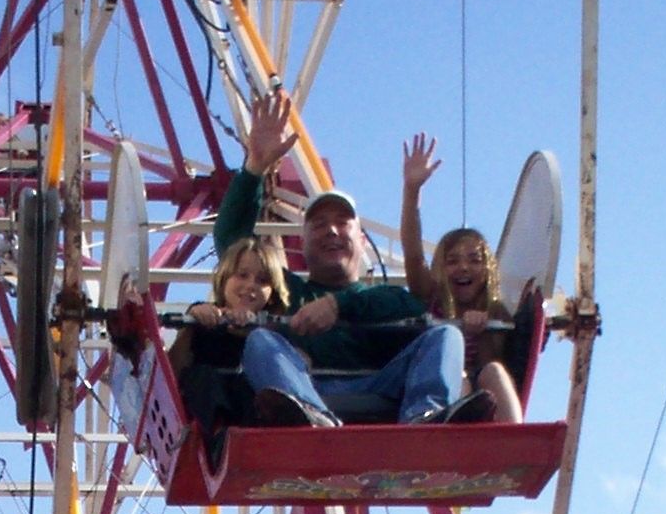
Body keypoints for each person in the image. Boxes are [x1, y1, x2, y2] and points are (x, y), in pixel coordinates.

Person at [212, 93, 494, 427]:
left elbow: (411, 306)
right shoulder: (287, 291)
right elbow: (233, 244)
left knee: (446, 335)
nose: (331, 231)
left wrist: (338, 305)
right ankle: (310, 417)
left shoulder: (383, 297)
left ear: (361, 240)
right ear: (302, 244)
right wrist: (254, 169)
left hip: (381, 386)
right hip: (306, 386)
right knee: (260, 342)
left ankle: (425, 417)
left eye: (342, 223)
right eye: (319, 225)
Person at [400, 133, 525, 423]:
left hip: (483, 385)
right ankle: (453, 427)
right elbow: (413, 253)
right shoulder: (431, 297)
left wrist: (481, 333)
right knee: (459, 377)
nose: (463, 268)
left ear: (488, 269)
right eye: (452, 261)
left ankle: (514, 435)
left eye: (474, 260)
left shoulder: (496, 313)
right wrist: (412, 191)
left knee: (494, 372)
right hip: (444, 383)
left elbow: (499, 360)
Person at [168, 237, 291, 452]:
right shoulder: (203, 319)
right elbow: (172, 374)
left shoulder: (274, 332)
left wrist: (252, 330)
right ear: (224, 279)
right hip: (207, 418)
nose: (250, 285)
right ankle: (219, 434)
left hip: (250, 414)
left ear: (272, 293)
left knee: (247, 384)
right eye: (242, 275)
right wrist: (191, 324)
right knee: (201, 376)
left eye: (262, 280)